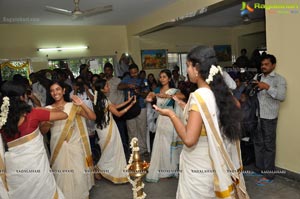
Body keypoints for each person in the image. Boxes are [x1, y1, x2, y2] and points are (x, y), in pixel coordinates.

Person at [153, 46, 249, 198]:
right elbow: (212, 115)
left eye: (188, 66)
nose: (187, 71)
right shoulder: (219, 92)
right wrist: (183, 105)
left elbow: (190, 139)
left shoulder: (199, 96)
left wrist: (172, 115)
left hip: (198, 162)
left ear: (197, 68)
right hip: (214, 161)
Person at [0, 80, 68, 199]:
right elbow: (64, 115)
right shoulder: (34, 114)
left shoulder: (3, 121)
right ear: (23, 97)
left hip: (14, 167)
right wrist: (48, 111)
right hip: (35, 165)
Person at [40, 81, 96, 199]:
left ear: (64, 91)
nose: (55, 92)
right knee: (61, 174)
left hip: (75, 145)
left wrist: (82, 104)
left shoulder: (73, 106)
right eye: (52, 90)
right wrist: (53, 116)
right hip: (57, 146)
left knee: (79, 173)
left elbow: (93, 117)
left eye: (58, 89)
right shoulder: (47, 109)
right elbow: (43, 131)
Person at [93, 79, 136, 183]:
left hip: (102, 128)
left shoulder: (99, 99)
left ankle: (106, 170)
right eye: (107, 86)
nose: (109, 87)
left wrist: (128, 101)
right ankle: (98, 168)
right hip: (108, 128)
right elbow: (118, 114)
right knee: (110, 151)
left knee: (109, 151)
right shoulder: (104, 100)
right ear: (103, 89)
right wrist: (131, 105)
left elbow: (114, 107)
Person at [145, 69, 185, 182]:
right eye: (160, 77)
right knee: (160, 144)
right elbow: (150, 97)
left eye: (164, 77)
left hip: (170, 119)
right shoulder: (157, 89)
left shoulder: (174, 91)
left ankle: (171, 169)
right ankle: (161, 169)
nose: (162, 79)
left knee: (168, 143)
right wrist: (151, 96)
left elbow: (182, 96)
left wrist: (169, 96)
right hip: (160, 119)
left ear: (169, 78)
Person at [253, 54, 287, 185]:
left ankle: (269, 175)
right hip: (257, 115)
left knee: (269, 146)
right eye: (262, 64)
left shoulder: (279, 79)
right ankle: (260, 168)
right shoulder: (258, 77)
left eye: (266, 64)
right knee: (258, 144)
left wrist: (266, 87)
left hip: (270, 118)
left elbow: (282, 96)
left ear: (273, 65)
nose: (263, 67)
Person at [118, 63, 150, 155]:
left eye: (135, 72)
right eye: (132, 73)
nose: (134, 75)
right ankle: (134, 150)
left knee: (142, 129)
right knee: (131, 129)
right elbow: (119, 87)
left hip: (141, 107)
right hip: (129, 108)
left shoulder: (144, 80)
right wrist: (128, 86)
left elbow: (146, 94)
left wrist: (139, 92)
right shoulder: (126, 79)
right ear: (129, 72)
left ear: (138, 71)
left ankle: (143, 150)